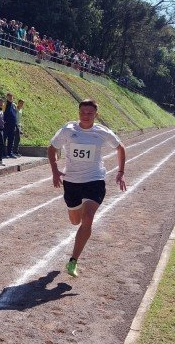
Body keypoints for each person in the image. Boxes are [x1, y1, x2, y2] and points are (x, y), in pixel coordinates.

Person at [48, 99, 127, 277]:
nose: (86, 116)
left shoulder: (101, 132)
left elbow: (120, 148)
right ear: (78, 113)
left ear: (96, 115)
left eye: (90, 113)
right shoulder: (68, 130)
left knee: (88, 219)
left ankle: (73, 261)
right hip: (72, 182)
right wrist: (55, 170)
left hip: (95, 181)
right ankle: (79, 211)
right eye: (83, 112)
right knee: (75, 221)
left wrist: (121, 172)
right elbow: (51, 148)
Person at [3, 93, 18, 158]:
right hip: (6, 125)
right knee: (4, 139)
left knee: (11, 139)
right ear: (7, 97)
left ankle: (10, 153)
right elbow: (3, 114)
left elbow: (14, 114)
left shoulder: (13, 105)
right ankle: (3, 153)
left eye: (11, 97)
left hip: (12, 125)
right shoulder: (5, 105)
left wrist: (15, 125)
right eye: (9, 97)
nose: (10, 98)